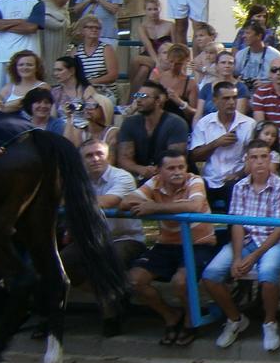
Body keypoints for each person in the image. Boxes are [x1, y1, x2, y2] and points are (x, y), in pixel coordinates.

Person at [122, 146, 219, 347]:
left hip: (198, 243)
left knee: (180, 282)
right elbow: (126, 202)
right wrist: (144, 203)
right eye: (171, 168)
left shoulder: (195, 180)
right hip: (166, 245)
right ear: (159, 170)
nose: (177, 172)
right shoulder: (154, 183)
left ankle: (191, 320)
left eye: (181, 167)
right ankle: (170, 316)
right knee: (134, 281)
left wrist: (155, 208)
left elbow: (194, 206)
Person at [200, 141, 280, 351]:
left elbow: (279, 228)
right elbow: (238, 224)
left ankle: (270, 323)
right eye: (254, 157)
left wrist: (253, 257)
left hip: (272, 242)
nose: (259, 162)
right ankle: (235, 319)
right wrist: (237, 256)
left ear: (270, 159)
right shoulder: (240, 187)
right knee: (211, 275)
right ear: (247, 161)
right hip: (247, 241)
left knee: (268, 275)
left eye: (263, 157)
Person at [63, 140, 144, 333]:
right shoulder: (78, 180)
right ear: (81, 161)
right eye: (89, 156)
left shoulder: (122, 177)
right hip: (91, 239)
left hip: (126, 238)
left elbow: (109, 201)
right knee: (63, 262)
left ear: (108, 156)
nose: (95, 159)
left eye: (99, 154)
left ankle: (111, 316)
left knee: (103, 258)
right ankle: (114, 294)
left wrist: (74, 200)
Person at [189, 80, 256, 212]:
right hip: (209, 179)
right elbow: (194, 156)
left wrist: (239, 174)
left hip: (238, 179)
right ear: (215, 100)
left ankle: (234, 230)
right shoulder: (204, 123)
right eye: (226, 98)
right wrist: (216, 143)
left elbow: (253, 158)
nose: (231, 102)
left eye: (234, 98)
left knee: (234, 187)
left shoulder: (249, 124)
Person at [118, 81, 190, 183]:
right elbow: (124, 159)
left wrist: (156, 171)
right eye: (137, 95)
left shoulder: (176, 123)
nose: (138, 100)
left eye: (144, 97)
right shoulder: (129, 123)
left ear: (158, 101)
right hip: (139, 176)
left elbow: (176, 158)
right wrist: (140, 169)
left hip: (170, 176)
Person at [129, 0, 175, 94]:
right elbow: (148, 46)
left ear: (159, 9)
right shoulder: (142, 27)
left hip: (165, 56)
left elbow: (175, 46)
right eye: (149, 9)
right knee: (140, 66)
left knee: (143, 69)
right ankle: (132, 95)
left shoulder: (170, 25)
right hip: (149, 55)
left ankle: (131, 99)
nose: (153, 12)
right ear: (145, 11)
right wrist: (157, 63)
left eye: (155, 9)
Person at [71, 15, 119, 103]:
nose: (94, 29)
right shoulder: (76, 51)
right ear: (82, 30)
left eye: (97, 28)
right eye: (90, 27)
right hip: (83, 91)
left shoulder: (106, 48)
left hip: (103, 91)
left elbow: (113, 75)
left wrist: (89, 82)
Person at [151, 42, 200, 124]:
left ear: (185, 61)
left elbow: (195, 113)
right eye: (171, 62)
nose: (173, 66)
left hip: (180, 124)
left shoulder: (191, 84)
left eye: (178, 64)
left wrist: (179, 102)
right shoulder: (158, 78)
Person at [195, 49, 247, 118]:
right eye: (223, 62)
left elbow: (239, 116)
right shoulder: (207, 87)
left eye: (230, 63)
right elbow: (198, 115)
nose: (227, 65)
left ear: (234, 66)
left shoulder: (241, 88)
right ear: (216, 66)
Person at [64, 92, 118, 156]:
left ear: (105, 109)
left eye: (92, 105)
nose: (87, 108)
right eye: (85, 105)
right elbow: (66, 148)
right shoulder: (80, 132)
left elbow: (110, 160)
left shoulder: (112, 132)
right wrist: (69, 117)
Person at [234, 22, 280, 88]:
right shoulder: (240, 54)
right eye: (244, 33)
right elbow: (233, 75)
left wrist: (268, 85)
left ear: (259, 36)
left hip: (267, 94)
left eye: (248, 33)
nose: (243, 36)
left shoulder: (275, 56)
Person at [49, 55, 96, 119]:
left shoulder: (86, 90)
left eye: (59, 70)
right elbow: (52, 117)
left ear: (72, 71)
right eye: (55, 70)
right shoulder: (55, 92)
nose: (55, 73)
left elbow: (93, 114)